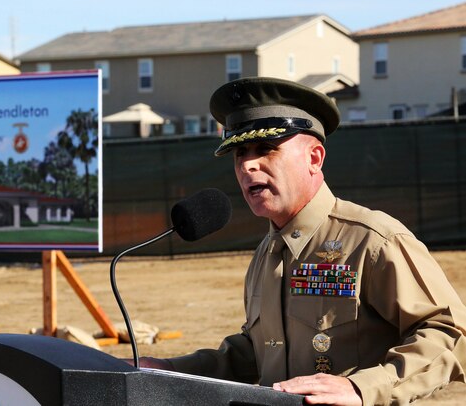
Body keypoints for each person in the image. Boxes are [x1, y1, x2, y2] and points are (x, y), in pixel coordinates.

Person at [137, 77, 466, 405]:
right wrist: (166, 369)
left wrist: (363, 387)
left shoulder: (372, 241)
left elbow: (452, 334)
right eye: (240, 153)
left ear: (314, 158)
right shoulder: (266, 254)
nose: (248, 165)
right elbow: (256, 354)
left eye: (266, 149)